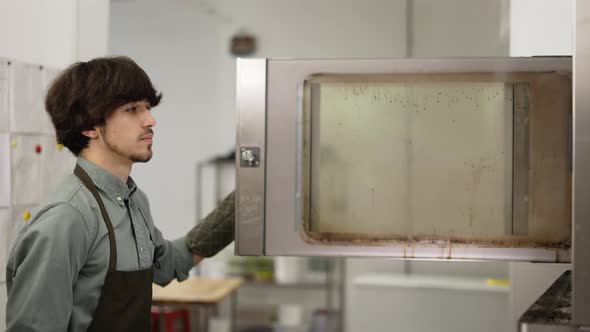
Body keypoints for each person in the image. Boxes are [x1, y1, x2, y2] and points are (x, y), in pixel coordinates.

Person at [5, 56, 235, 331]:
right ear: (89, 127)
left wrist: (242, 206)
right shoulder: (66, 218)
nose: (150, 120)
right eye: (132, 109)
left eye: (147, 107)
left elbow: (166, 265)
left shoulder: (133, 200)